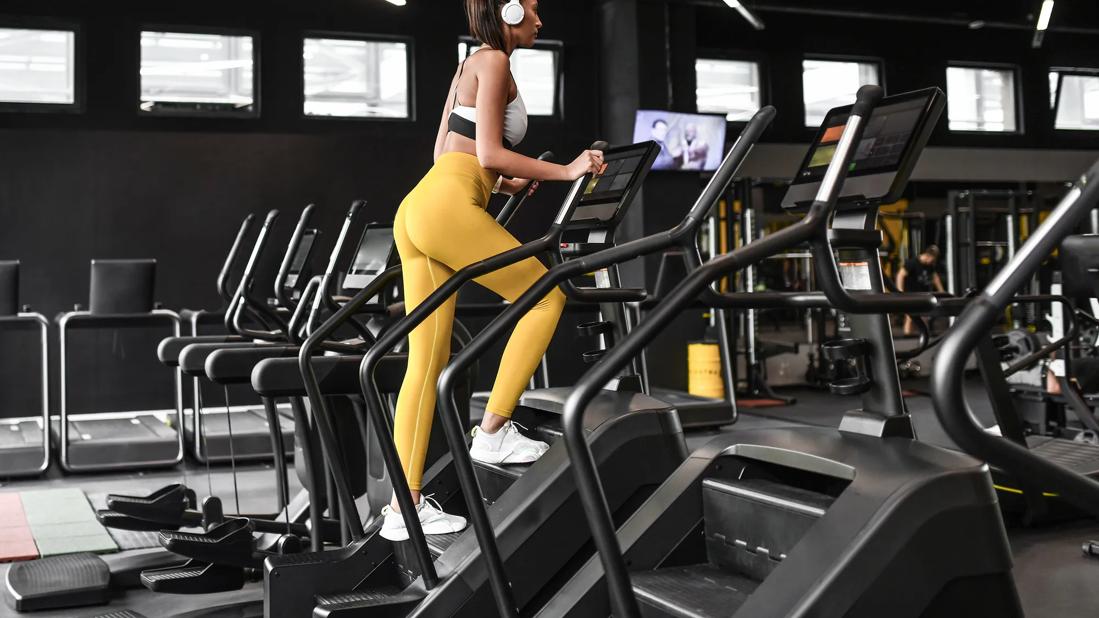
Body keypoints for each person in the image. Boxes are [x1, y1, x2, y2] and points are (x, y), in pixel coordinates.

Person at [379, 0, 605, 542]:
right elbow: (490, 152)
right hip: (448, 207)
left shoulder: (467, 64)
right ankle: (495, 430)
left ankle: (402, 510)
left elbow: (448, 153)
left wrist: (502, 186)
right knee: (545, 296)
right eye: (531, 9)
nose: (540, 19)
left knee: (424, 364)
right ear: (507, 11)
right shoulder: (496, 62)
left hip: (417, 209)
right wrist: (566, 169)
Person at [895, 245, 944, 336]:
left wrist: (942, 291)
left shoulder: (930, 266)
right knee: (910, 316)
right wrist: (899, 290)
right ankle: (907, 336)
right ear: (928, 255)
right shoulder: (912, 263)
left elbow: (935, 277)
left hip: (923, 295)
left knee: (925, 316)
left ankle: (925, 337)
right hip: (910, 294)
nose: (933, 262)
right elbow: (900, 275)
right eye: (932, 259)